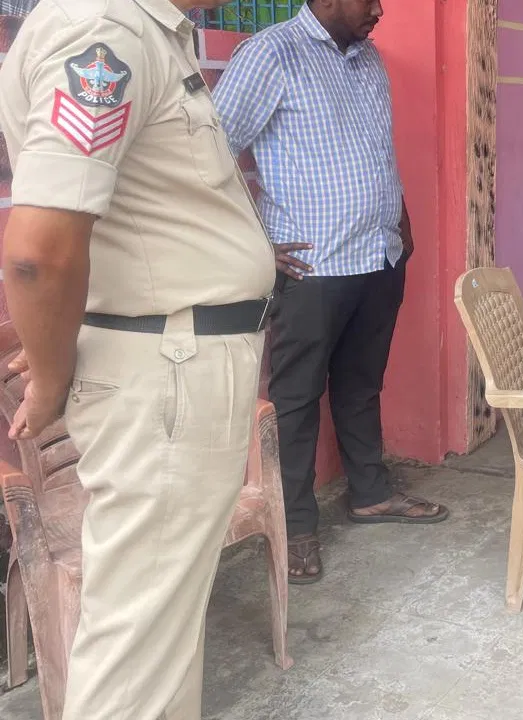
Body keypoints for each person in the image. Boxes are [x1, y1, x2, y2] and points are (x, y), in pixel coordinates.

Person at [0, 0, 278, 716]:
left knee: (157, 638)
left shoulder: (143, 30)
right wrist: (50, 375)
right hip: (169, 374)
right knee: (138, 656)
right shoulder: (104, 30)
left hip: (170, 360)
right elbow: (37, 253)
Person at [213, 0, 447, 585]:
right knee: (296, 401)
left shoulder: (369, 60)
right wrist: (255, 243)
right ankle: (295, 527)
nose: (380, 10)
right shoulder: (270, 54)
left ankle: (370, 493)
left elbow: (378, 150)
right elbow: (208, 155)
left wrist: (401, 218)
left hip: (378, 256)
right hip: (312, 269)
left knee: (361, 385)